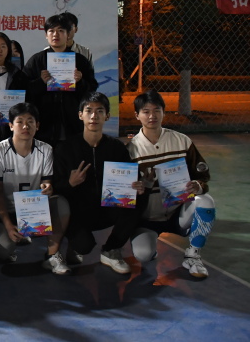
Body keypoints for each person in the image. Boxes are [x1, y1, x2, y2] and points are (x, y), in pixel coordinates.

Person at [53, 92, 148, 274]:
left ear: (107, 116)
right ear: (80, 115)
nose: (94, 116)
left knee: (141, 197)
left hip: (107, 209)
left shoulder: (117, 148)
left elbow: (131, 181)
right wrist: (70, 183)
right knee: (84, 246)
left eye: (99, 111)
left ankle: (111, 249)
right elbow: (55, 188)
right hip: (77, 213)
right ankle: (75, 244)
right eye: (89, 111)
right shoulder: (65, 148)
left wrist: (138, 186)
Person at [127, 90, 215, 278]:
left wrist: (197, 185)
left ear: (164, 112)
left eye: (156, 110)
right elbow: (124, 194)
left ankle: (193, 255)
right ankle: (149, 247)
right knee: (143, 255)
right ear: (137, 115)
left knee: (206, 201)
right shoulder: (130, 151)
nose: (152, 116)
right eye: (146, 111)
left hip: (178, 213)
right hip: (147, 220)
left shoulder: (182, 141)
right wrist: (136, 189)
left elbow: (202, 176)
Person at [0, 103, 71, 274]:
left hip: (33, 209)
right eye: (20, 121)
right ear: (11, 125)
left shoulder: (46, 149)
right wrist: (8, 225)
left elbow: (47, 183)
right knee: (4, 250)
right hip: (7, 210)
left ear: (37, 125)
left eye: (30, 121)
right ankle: (11, 235)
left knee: (61, 204)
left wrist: (48, 188)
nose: (25, 126)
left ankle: (52, 255)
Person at [23, 14, 98, 147]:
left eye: (61, 31)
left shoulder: (80, 61)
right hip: (44, 125)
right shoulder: (36, 61)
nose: (55, 34)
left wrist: (80, 81)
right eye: (51, 31)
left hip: (73, 123)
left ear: (68, 35)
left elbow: (92, 91)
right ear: (46, 35)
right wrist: (41, 82)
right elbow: (24, 90)